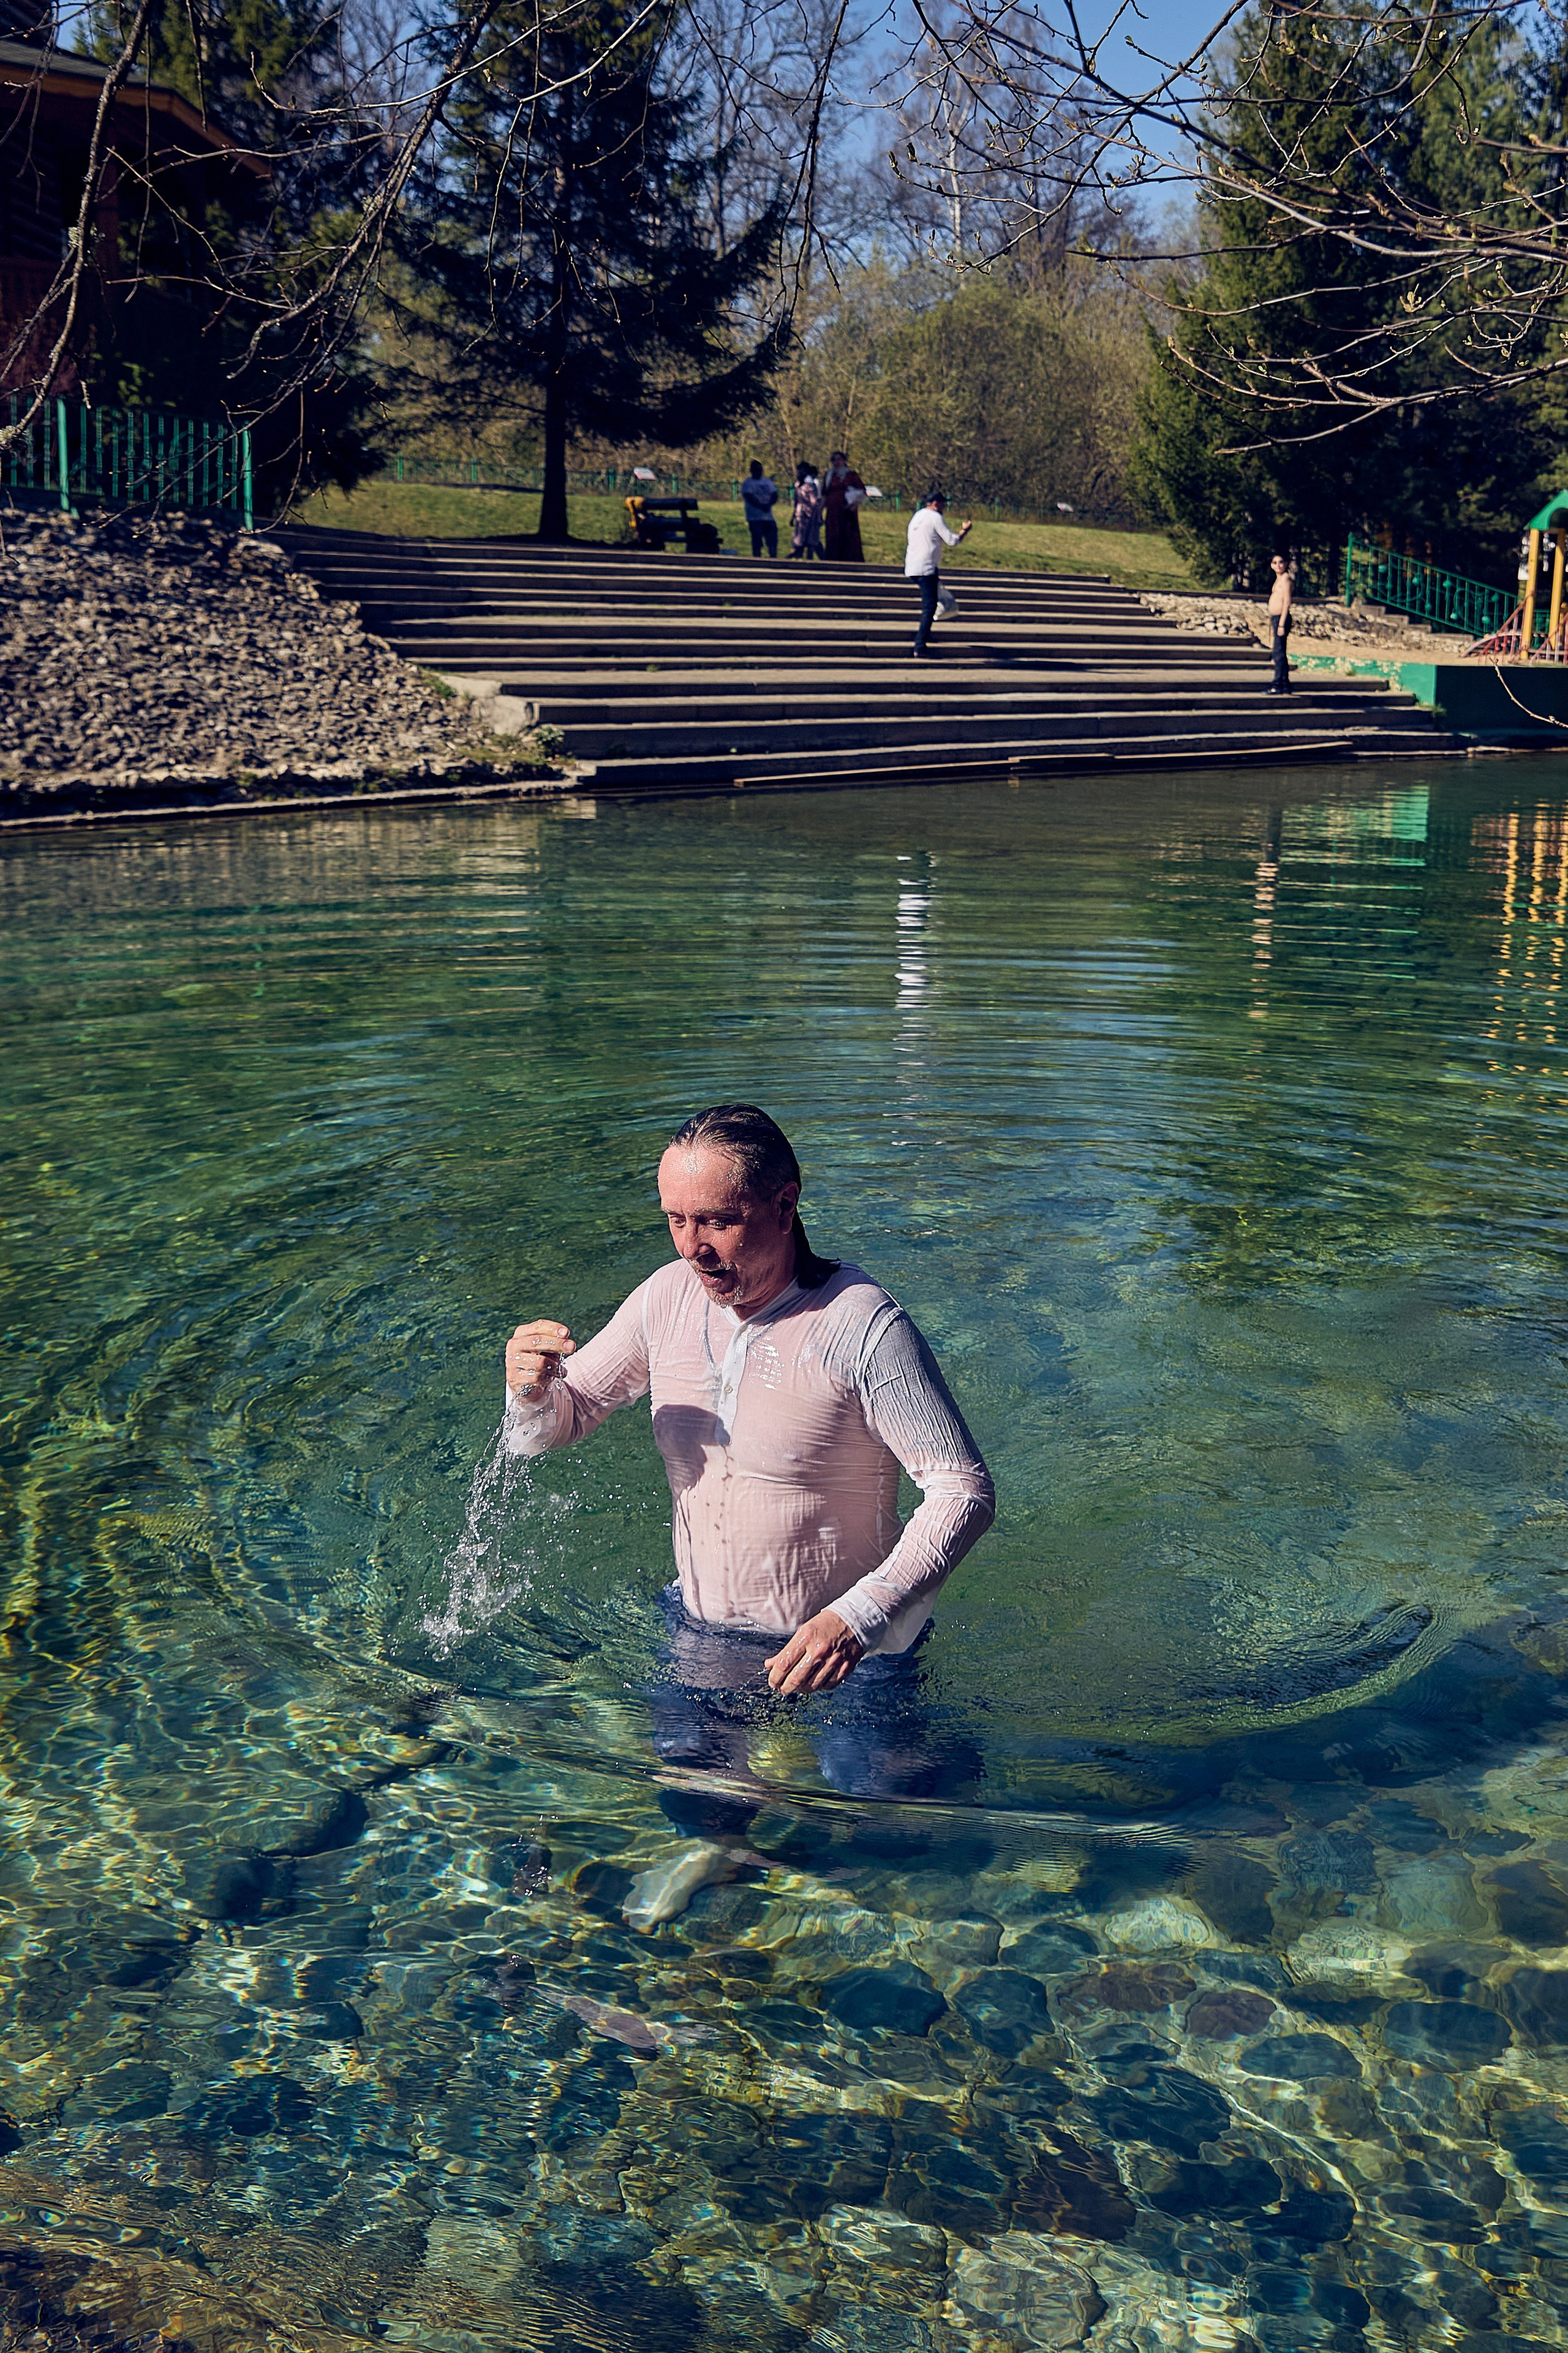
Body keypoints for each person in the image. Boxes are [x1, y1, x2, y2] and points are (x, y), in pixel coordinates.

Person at [503, 1105, 994, 1846]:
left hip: (853, 1647)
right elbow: (552, 1430)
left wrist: (857, 1622)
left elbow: (963, 1489)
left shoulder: (859, 1324)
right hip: (704, 1630)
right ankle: (732, 1923)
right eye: (674, 1220)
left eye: (716, 1221)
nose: (692, 1248)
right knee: (700, 1810)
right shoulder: (665, 1298)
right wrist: (529, 1389)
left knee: (880, 1810)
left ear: (785, 1202)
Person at [905, 489, 971, 659]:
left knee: (933, 602)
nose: (945, 507)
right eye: (944, 504)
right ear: (935, 504)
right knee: (929, 607)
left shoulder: (918, 516)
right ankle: (919, 646)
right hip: (927, 568)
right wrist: (965, 530)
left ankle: (925, 634)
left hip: (912, 566)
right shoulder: (935, 518)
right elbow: (952, 541)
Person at [823, 452, 867, 562]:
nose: (837, 462)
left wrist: (854, 503)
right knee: (834, 535)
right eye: (834, 460)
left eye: (839, 459)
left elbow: (861, 491)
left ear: (844, 461)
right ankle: (833, 559)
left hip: (848, 510)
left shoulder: (851, 475)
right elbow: (825, 493)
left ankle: (851, 560)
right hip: (833, 511)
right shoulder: (829, 476)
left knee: (849, 535)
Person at [741, 460, 778, 558]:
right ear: (751, 470)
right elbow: (749, 497)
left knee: (772, 538)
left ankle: (773, 558)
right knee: (757, 539)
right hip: (755, 517)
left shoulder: (767, 482)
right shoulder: (748, 483)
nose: (759, 471)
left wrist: (769, 504)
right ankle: (757, 558)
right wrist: (761, 506)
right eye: (756, 469)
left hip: (768, 517)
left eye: (760, 469)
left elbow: (775, 494)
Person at [1267, 553, 1293, 694]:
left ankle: (1277, 685)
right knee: (1280, 652)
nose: (1278, 565)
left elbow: (1287, 602)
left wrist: (1282, 624)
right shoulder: (1278, 580)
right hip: (1275, 619)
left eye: (1281, 562)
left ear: (1286, 563)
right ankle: (1285, 684)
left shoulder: (1286, 579)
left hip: (1281, 619)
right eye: (1275, 562)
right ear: (1272, 565)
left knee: (1278, 653)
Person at [790, 463, 824, 560]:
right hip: (808, 514)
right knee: (810, 539)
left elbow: (797, 502)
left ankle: (798, 558)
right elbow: (814, 502)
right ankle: (807, 560)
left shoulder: (800, 484)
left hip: (802, 514)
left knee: (802, 538)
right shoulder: (809, 485)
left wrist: (793, 517)